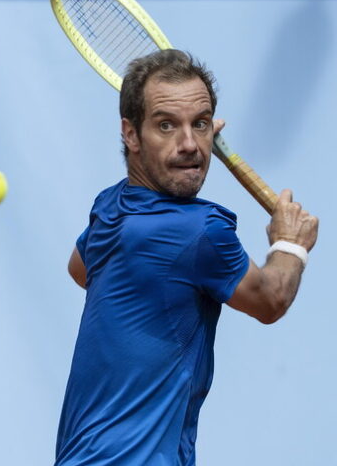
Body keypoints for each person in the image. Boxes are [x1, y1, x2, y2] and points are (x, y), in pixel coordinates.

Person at [54, 49, 319, 465]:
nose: (190, 146)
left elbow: (79, 268)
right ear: (131, 134)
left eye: (199, 124)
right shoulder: (197, 230)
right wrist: (290, 244)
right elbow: (271, 300)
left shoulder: (112, 206)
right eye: (165, 126)